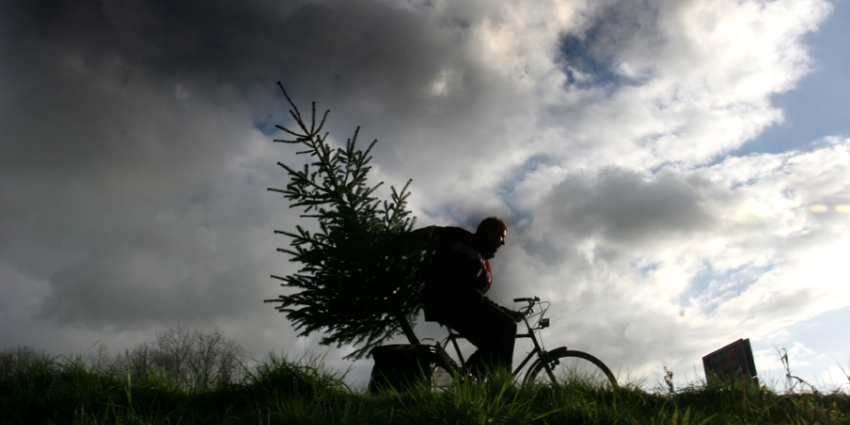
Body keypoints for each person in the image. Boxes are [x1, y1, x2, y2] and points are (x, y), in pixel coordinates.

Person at [413, 216, 522, 380]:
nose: (503, 242)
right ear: (488, 231)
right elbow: (430, 232)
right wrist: (397, 242)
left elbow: (478, 297)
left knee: (494, 342)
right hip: (449, 300)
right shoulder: (463, 238)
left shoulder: (484, 264)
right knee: (507, 325)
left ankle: (467, 383)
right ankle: (503, 383)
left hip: (462, 303)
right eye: (502, 235)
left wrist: (504, 310)